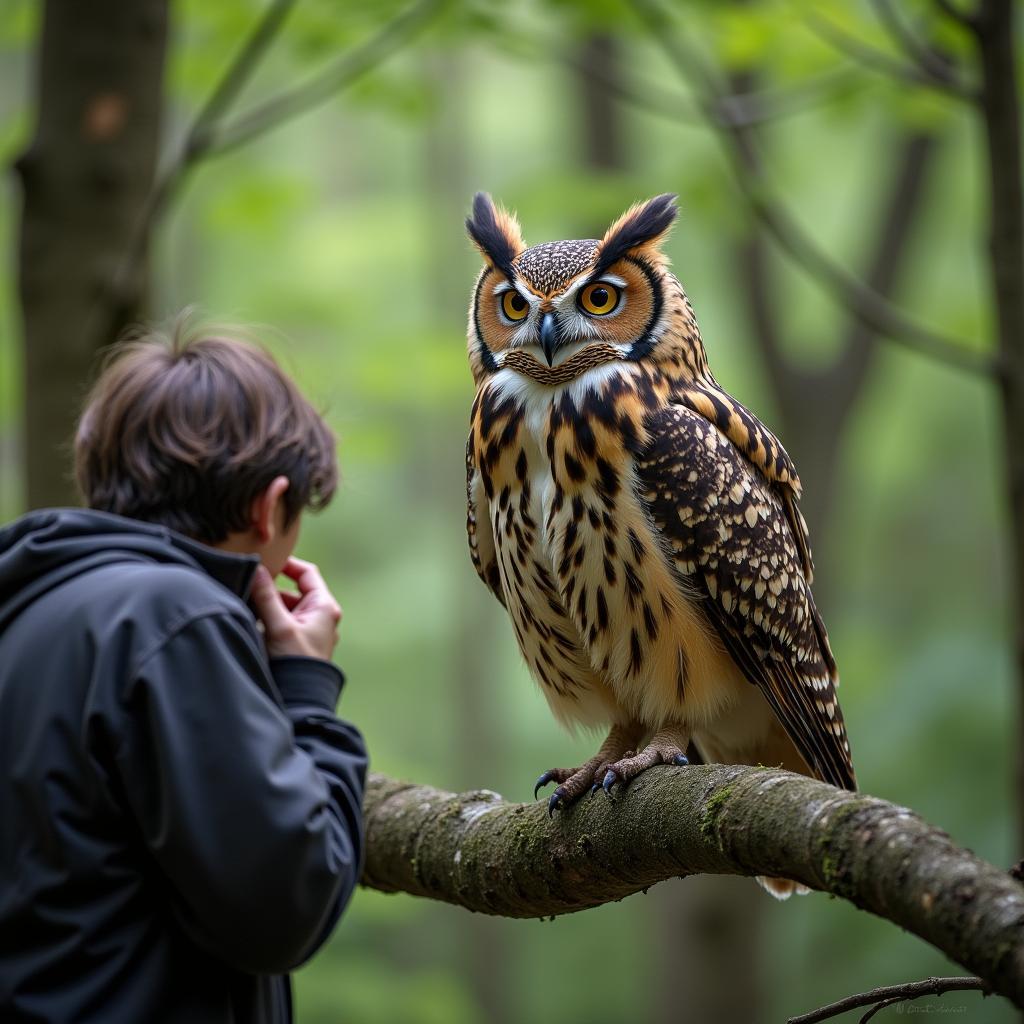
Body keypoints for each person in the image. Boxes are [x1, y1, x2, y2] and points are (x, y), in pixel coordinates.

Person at [0, 317, 367, 1022]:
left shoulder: (31, 610)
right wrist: (306, 689)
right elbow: (285, 903)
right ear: (268, 509)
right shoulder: (175, 618)